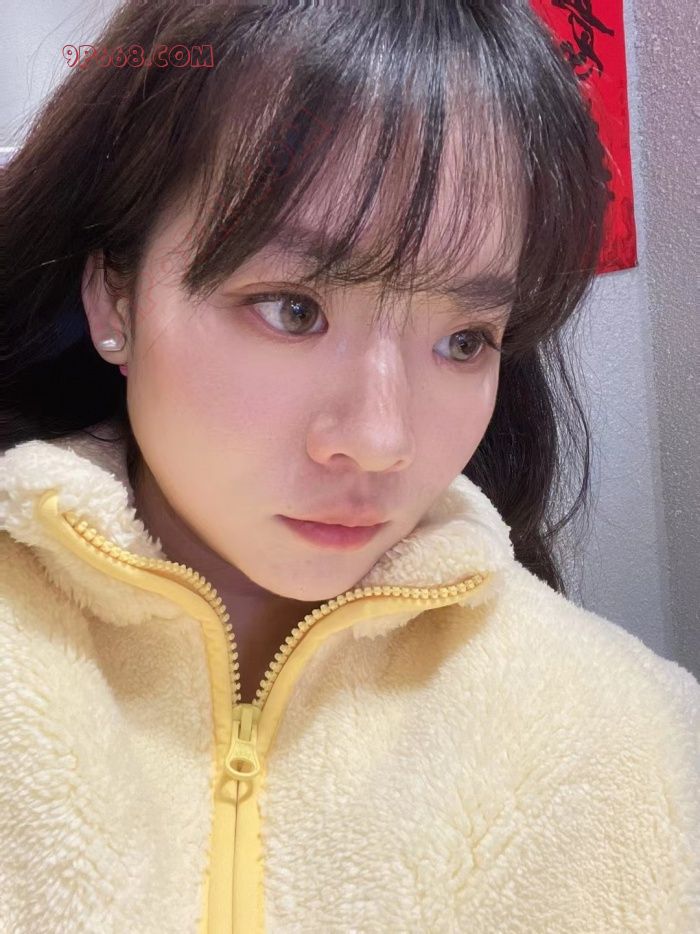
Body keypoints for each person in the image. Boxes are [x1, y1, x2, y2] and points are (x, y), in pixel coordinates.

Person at [1, 1, 698, 931]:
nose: (380, 439)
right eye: (293, 309)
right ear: (113, 296)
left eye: (464, 339)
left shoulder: (629, 742)